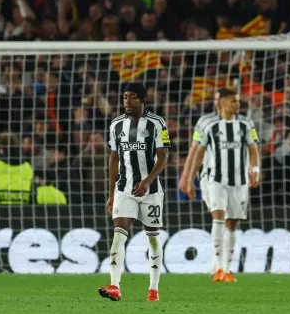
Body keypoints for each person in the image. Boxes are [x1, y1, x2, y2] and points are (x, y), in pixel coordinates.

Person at [98, 83, 170, 302]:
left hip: (151, 191)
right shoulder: (116, 124)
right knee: (119, 234)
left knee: (153, 239)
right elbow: (113, 158)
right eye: (124, 97)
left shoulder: (157, 123)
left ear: (143, 99)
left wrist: (147, 181)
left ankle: (153, 289)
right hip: (124, 189)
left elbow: (163, 157)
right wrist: (111, 194)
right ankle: (114, 286)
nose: (127, 101)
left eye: (132, 97)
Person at [186, 87, 260, 282]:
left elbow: (253, 149)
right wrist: (190, 179)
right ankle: (218, 267)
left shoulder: (246, 124)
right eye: (233, 101)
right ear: (223, 103)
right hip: (215, 179)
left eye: (238, 101)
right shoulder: (210, 125)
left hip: (239, 181)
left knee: (232, 223)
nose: (237, 104)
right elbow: (198, 153)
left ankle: (227, 268)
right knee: (218, 218)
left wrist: (255, 170)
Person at [179, 91, 220, 274]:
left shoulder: (242, 123)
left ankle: (220, 263)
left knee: (227, 220)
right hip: (211, 177)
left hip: (235, 179)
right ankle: (219, 263)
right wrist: (186, 177)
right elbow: (194, 150)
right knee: (220, 218)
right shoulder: (204, 122)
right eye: (216, 100)